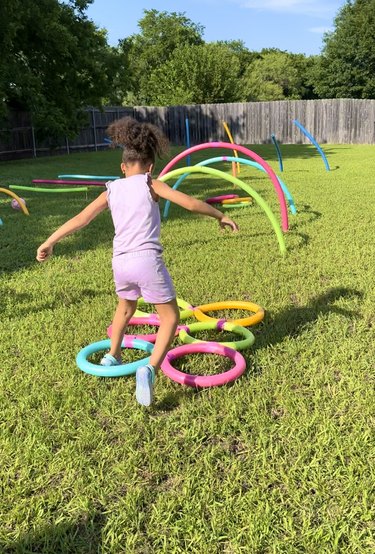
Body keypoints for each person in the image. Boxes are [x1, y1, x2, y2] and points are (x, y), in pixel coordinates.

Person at [36, 117, 239, 406]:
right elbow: (189, 203)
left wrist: (49, 240)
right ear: (150, 166)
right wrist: (219, 215)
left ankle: (113, 354)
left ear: (122, 167)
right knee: (170, 318)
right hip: (147, 261)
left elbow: (81, 219)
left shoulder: (112, 189)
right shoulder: (151, 183)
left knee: (125, 309)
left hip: (120, 262)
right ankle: (149, 369)